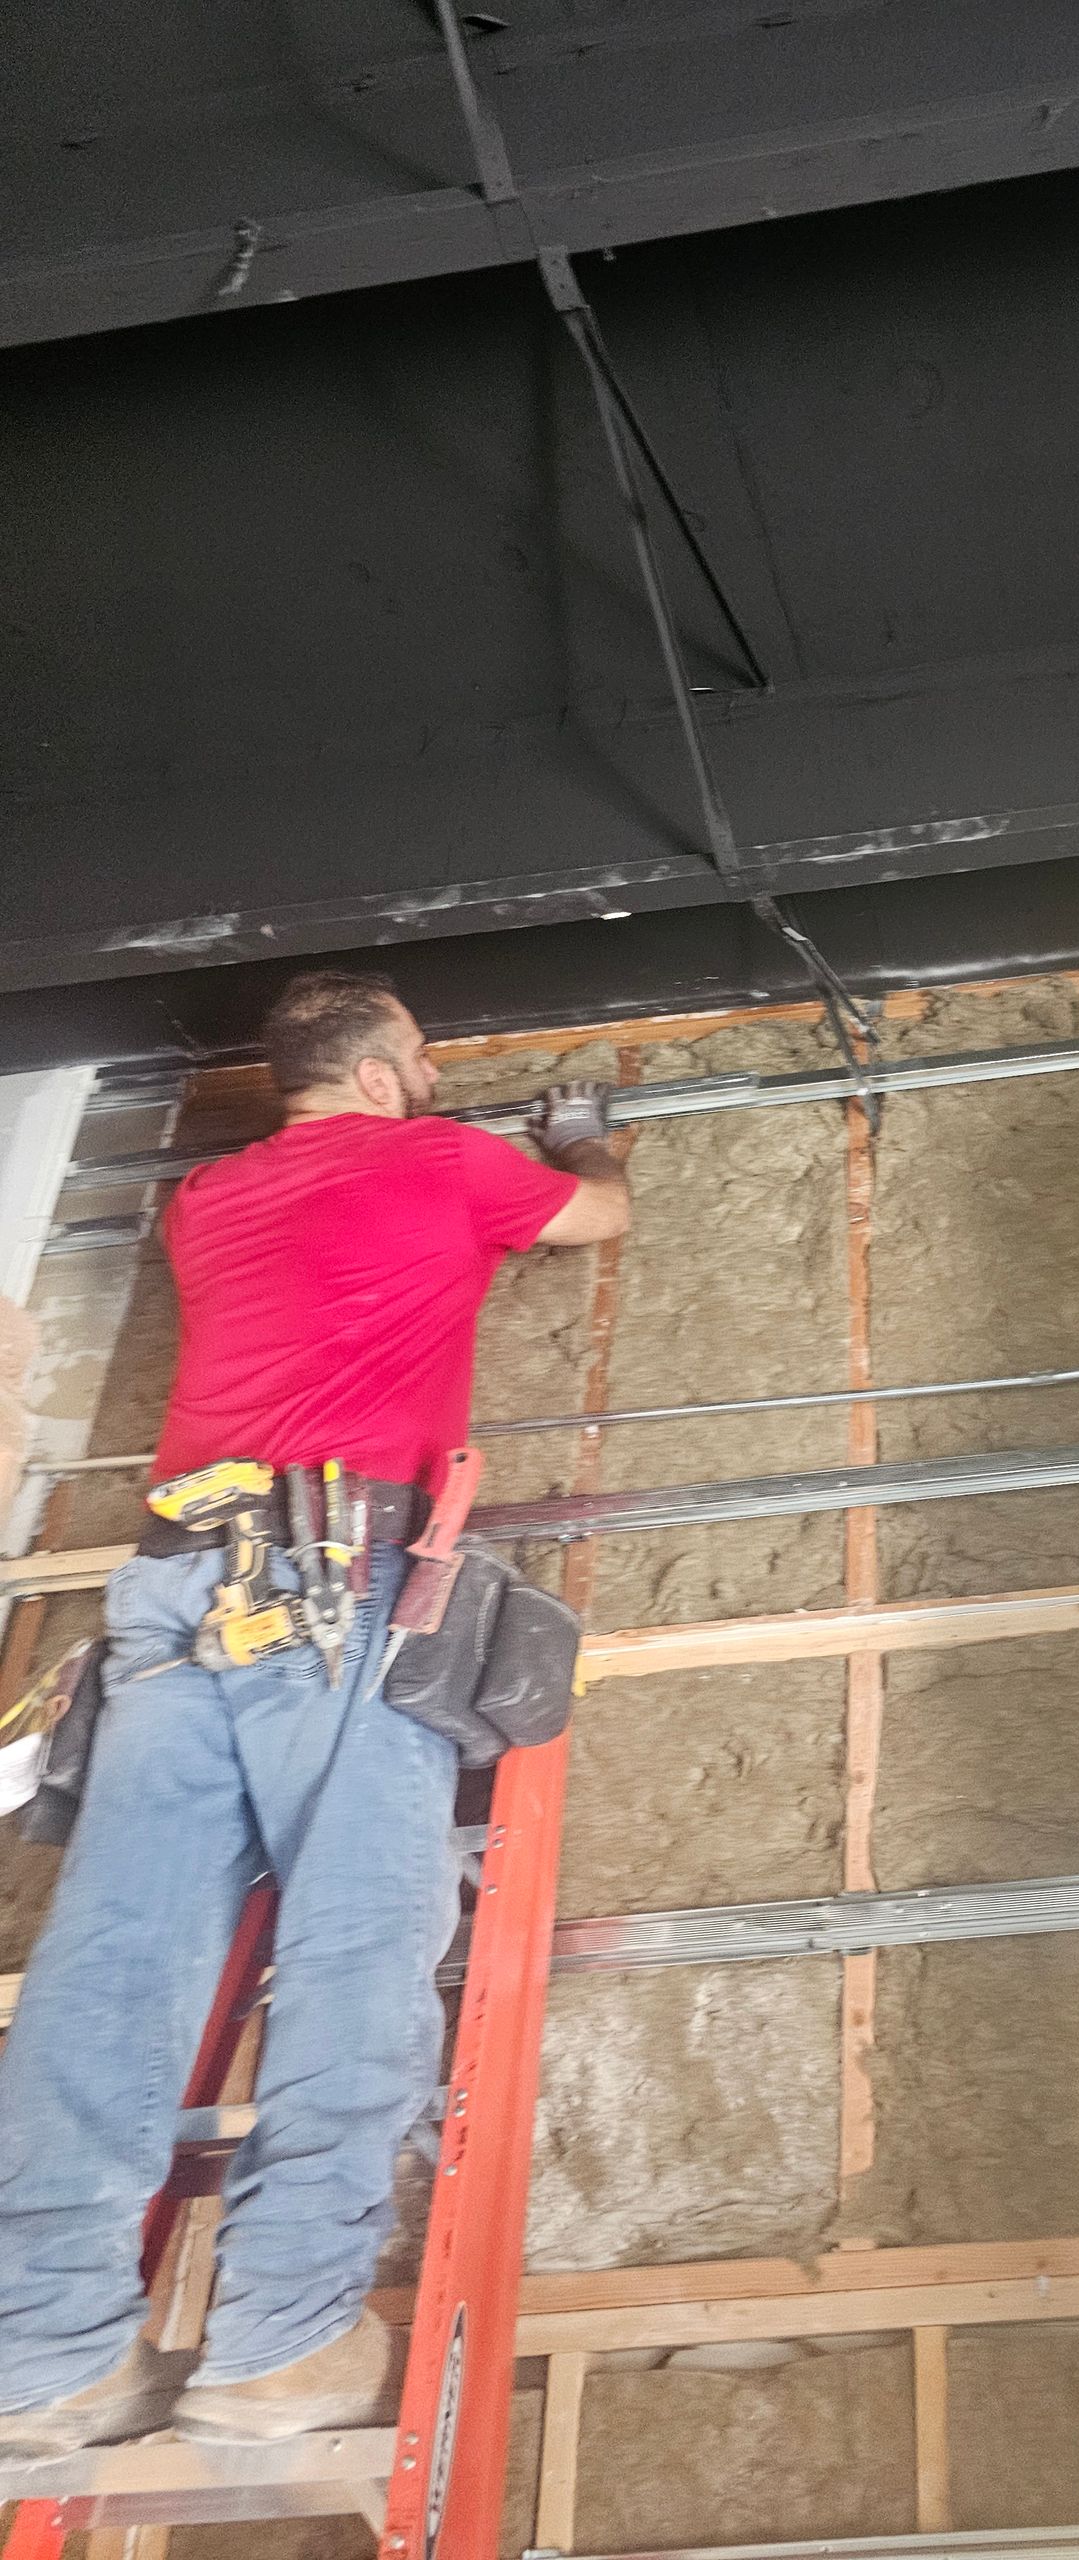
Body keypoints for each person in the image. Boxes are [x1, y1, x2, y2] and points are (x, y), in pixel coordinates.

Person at [0, 970, 628, 2456]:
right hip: (340, 1577)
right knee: (358, 1939)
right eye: (420, 1057)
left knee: (113, 1963)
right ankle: (281, 2337)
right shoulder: (440, 1159)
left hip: (166, 1595)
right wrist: (589, 1141)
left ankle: (37, 2349)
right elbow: (598, 1218)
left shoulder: (204, 1203)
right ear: (389, 1069)